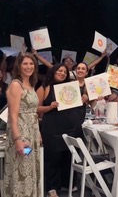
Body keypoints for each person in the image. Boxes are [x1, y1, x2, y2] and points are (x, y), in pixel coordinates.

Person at [37, 63, 81, 197]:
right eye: (59, 71)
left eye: (64, 72)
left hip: (69, 127)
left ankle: (66, 184)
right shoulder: (44, 87)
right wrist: (49, 107)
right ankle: (51, 188)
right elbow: (36, 109)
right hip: (51, 128)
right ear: (53, 72)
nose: (62, 73)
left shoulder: (70, 88)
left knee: (67, 157)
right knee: (52, 158)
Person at [4, 52, 41, 196]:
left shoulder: (30, 84)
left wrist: (38, 133)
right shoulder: (16, 85)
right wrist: (18, 140)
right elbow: (13, 116)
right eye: (25, 63)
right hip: (21, 135)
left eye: (31, 63)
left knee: (30, 172)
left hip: (31, 133)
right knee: (21, 172)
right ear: (18, 66)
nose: (29, 66)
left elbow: (33, 111)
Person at [33, 49, 107, 80]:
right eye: (66, 61)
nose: (69, 63)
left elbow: (90, 65)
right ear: (63, 63)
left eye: (70, 61)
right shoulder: (59, 71)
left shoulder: (76, 72)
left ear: (73, 63)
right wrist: (36, 55)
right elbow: (48, 64)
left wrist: (102, 56)